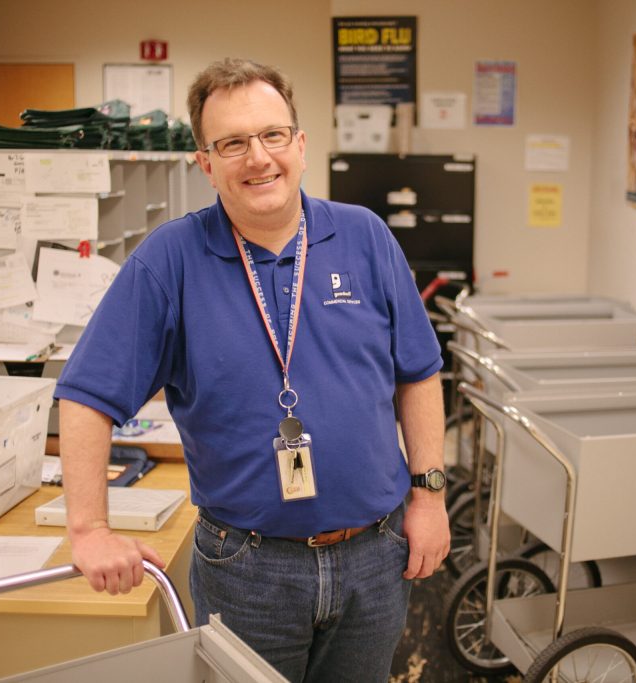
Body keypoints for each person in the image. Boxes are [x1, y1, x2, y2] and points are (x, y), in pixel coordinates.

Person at [54, 57, 449, 681]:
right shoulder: (171, 259)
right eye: (232, 143)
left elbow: (419, 373)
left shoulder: (365, 237)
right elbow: (85, 395)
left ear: (299, 143)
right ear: (205, 162)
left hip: (376, 555)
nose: (258, 157)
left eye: (271, 135)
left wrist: (428, 497)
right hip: (249, 568)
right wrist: (89, 527)